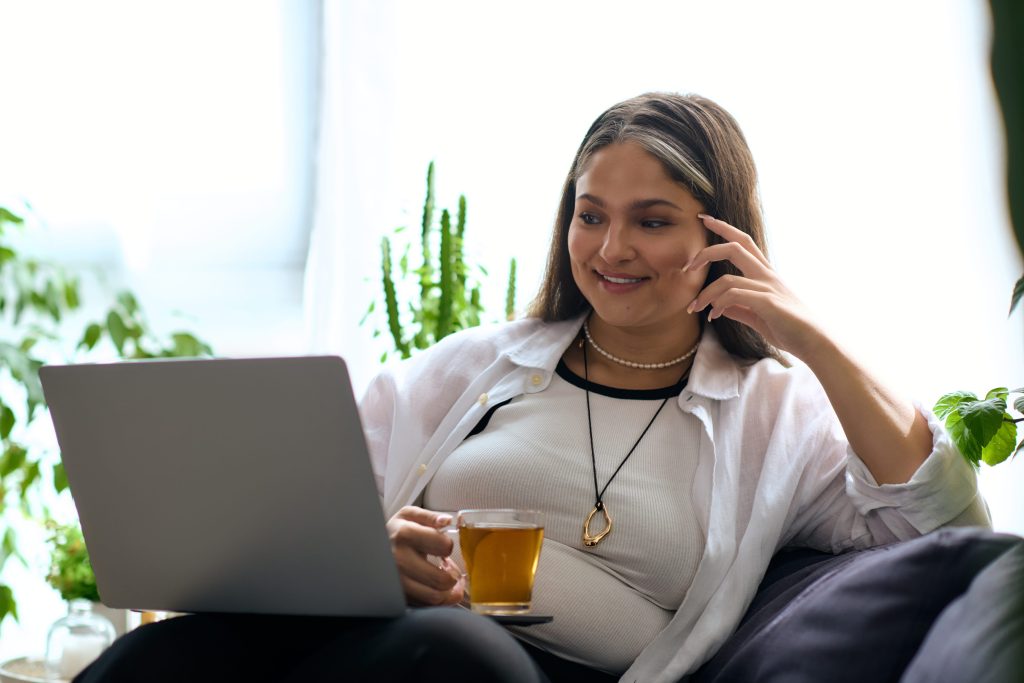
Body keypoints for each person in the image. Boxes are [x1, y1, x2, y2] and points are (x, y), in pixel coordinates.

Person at [76, 92, 989, 683]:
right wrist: (368, 542)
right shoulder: (480, 365)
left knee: (455, 651)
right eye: (590, 216)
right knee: (156, 659)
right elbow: (307, 511)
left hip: (516, 670)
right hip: (378, 644)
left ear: (723, 236)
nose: (610, 249)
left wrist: (811, 336)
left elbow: (940, 525)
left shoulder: (776, 414)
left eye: (652, 221)